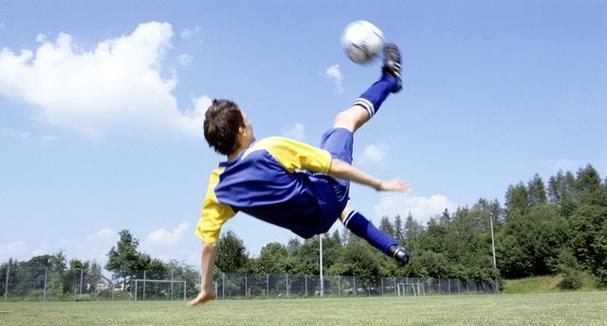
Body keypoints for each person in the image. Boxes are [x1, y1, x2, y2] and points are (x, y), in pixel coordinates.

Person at [189, 43, 410, 307]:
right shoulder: (268, 149)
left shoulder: (218, 186)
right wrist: (379, 183)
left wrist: (206, 287)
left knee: (338, 206)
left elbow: (208, 244)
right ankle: (389, 79)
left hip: (312, 225)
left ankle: (391, 246)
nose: (251, 122)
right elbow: (333, 167)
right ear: (240, 131)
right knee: (344, 120)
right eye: (246, 119)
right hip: (330, 192)